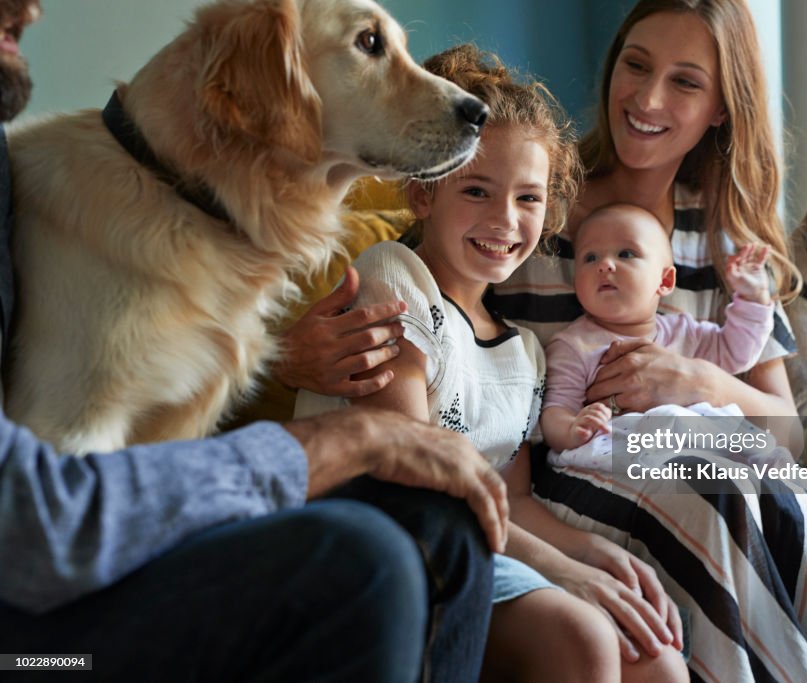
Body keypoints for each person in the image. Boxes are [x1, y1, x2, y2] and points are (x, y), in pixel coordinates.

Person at [279, 1, 807, 680]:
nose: (646, 97)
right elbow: (420, 284)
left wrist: (695, 381)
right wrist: (291, 357)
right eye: (635, 66)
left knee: (767, 490)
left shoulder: (727, 243)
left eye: (686, 82)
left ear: (723, 108)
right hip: (571, 473)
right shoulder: (536, 197)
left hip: (641, 466)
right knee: (713, 487)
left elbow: (786, 433)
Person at [0, 3, 502, 681]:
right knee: (364, 562)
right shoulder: (62, 204)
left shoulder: (198, 218)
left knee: (439, 523)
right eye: (369, 46)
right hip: (32, 648)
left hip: (103, 561)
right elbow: (41, 529)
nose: (33, 8)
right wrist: (347, 442)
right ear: (272, 88)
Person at [295, 44, 690, 683]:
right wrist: (564, 571)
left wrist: (598, 556)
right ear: (423, 194)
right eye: (477, 190)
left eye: (528, 199)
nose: (505, 220)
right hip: (397, 538)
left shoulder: (526, 352)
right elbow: (414, 471)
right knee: (583, 637)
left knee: (660, 664)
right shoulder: (394, 277)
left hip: (485, 540)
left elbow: (510, 495)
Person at [541, 202, 773, 455]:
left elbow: (737, 352)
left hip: (701, 453)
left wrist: (753, 297)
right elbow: (556, 410)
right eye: (590, 257)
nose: (605, 264)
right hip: (624, 459)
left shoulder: (686, 332)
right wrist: (572, 429)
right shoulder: (573, 346)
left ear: (665, 280)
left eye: (626, 254)